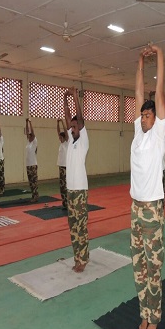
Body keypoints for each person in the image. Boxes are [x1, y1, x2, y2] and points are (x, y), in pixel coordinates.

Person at [130, 44, 165, 329]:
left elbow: (158, 91)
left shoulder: (158, 135)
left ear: (156, 120)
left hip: (153, 208)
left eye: (148, 115)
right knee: (138, 264)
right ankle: (143, 311)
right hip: (135, 207)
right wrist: (141, 62)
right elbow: (139, 92)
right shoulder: (137, 133)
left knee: (154, 266)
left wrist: (159, 55)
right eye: (142, 115)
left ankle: (154, 316)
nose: (144, 118)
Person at [63, 87, 89, 273]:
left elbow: (79, 118)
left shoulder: (83, 141)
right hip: (70, 190)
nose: (72, 129)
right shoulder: (71, 141)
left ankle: (84, 259)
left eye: (74, 126)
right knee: (73, 226)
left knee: (81, 226)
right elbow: (68, 118)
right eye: (71, 127)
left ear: (80, 127)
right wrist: (65, 99)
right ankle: (77, 258)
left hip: (80, 190)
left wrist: (74, 98)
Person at [25, 118, 39, 202]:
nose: (28, 137)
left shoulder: (34, 142)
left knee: (34, 181)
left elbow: (32, 132)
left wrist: (30, 122)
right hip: (28, 165)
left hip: (33, 164)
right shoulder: (28, 143)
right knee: (30, 182)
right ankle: (33, 195)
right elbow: (27, 132)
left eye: (29, 136)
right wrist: (26, 122)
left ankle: (36, 196)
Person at [57, 118, 68, 209]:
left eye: (61, 137)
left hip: (65, 167)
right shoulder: (61, 144)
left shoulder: (67, 143)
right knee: (61, 186)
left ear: (64, 138)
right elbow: (58, 132)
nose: (59, 139)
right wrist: (57, 123)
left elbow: (65, 131)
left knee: (65, 185)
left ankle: (68, 202)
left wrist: (62, 122)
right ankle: (64, 202)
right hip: (61, 166)